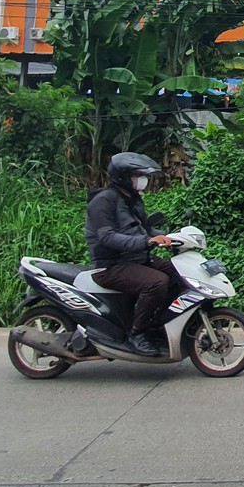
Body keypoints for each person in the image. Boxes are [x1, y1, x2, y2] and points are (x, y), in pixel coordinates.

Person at [85, 151, 182, 356]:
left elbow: (145, 230)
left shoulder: (132, 199)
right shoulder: (102, 201)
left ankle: (156, 322)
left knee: (178, 272)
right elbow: (108, 237)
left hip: (136, 259)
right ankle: (137, 334)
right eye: (138, 176)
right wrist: (146, 242)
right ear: (123, 177)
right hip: (111, 265)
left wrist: (168, 238)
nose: (143, 181)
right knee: (157, 282)